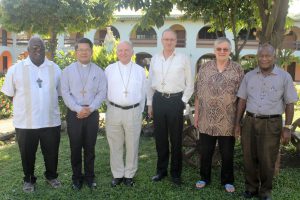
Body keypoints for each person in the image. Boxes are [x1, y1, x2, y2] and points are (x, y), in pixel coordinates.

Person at [235, 43, 298, 200]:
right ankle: (251, 188)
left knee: (267, 159)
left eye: (268, 56)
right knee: (249, 158)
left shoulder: (284, 77)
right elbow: (242, 101)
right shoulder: (248, 76)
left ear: (274, 57)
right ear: (258, 57)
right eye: (261, 56)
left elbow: (290, 103)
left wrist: (287, 128)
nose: (264, 59)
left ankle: (265, 192)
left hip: (272, 123)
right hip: (249, 121)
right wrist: (237, 123)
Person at [1, 36, 62, 192]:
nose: (38, 50)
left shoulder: (54, 68)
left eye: (41, 47)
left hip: (50, 121)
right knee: (27, 155)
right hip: (26, 122)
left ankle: (51, 176)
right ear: (28, 50)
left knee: (52, 152)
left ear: (44, 49)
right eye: (34, 47)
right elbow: (9, 93)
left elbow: (60, 92)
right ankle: (29, 179)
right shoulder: (16, 69)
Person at [194, 37, 244, 192]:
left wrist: (238, 121)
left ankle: (227, 181)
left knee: (227, 153)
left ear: (230, 51)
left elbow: (242, 96)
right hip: (206, 119)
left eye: (225, 49)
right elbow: (197, 93)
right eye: (219, 49)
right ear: (214, 50)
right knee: (205, 151)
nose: (222, 52)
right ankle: (204, 177)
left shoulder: (237, 69)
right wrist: (196, 115)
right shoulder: (204, 68)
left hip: (227, 120)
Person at [147, 29, 193, 186]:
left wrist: (183, 101)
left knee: (176, 140)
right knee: (160, 139)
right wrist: (150, 104)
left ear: (176, 41)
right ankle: (161, 171)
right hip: (158, 100)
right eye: (166, 39)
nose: (169, 42)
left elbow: (190, 84)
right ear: (162, 40)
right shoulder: (155, 58)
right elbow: (149, 83)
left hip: (175, 101)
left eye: (172, 39)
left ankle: (175, 173)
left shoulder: (183, 59)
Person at [61, 38, 107, 190]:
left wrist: (91, 108)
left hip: (92, 114)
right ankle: (76, 178)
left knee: (90, 147)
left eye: (86, 50)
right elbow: (65, 93)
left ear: (92, 52)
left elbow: (102, 92)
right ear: (76, 52)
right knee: (75, 148)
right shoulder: (67, 71)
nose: (83, 52)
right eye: (80, 50)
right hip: (74, 114)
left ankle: (90, 177)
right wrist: (77, 109)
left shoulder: (98, 71)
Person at [105, 41, 146, 187]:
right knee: (115, 145)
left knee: (132, 145)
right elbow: (105, 91)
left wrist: (139, 111)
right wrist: (110, 107)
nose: (123, 53)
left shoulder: (140, 70)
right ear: (116, 52)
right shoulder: (109, 69)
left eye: (126, 50)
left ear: (132, 52)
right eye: (120, 50)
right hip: (114, 111)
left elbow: (143, 92)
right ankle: (117, 174)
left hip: (133, 112)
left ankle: (129, 175)